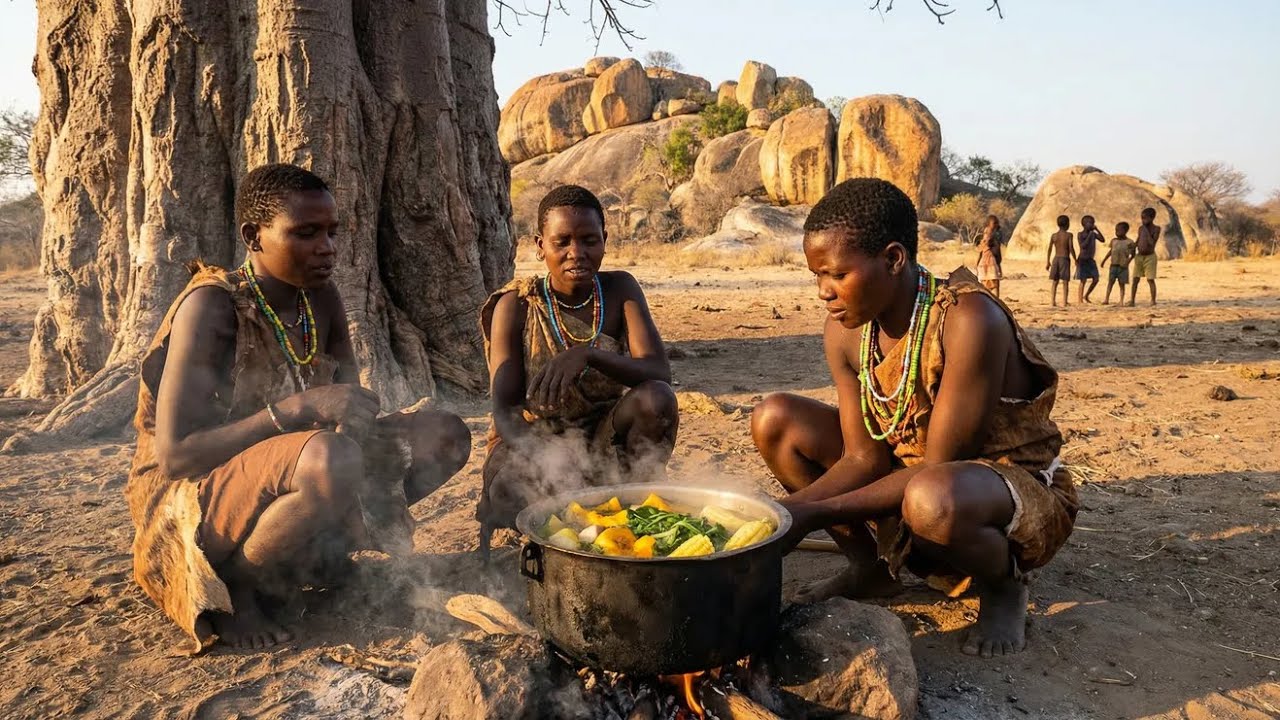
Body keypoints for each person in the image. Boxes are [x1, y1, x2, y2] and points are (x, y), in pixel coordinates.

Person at [125, 164, 472, 652]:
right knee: (330, 459)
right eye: (305, 233)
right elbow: (177, 456)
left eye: (332, 232)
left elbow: (350, 408)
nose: (326, 247)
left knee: (444, 433)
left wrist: (353, 417)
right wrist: (296, 409)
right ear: (254, 236)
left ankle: (314, 557)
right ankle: (238, 589)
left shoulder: (321, 300)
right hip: (197, 500)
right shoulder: (211, 308)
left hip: (293, 467)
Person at [751, 178, 1077, 658]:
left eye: (837, 275)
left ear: (893, 259)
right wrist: (785, 515)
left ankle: (1004, 586)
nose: (824, 292)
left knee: (932, 498)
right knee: (774, 419)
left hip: (991, 495)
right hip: (912, 479)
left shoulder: (969, 319)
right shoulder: (846, 333)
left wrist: (811, 512)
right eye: (817, 276)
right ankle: (870, 570)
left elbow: (940, 466)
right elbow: (864, 456)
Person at [479, 184, 678, 557]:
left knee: (656, 399)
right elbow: (504, 410)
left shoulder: (620, 289)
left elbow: (657, 371)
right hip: (535, 441)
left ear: (605, 240)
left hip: (605, 435)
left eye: (589, 240)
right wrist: (549, 462)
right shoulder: (516, 305)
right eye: (562, 242)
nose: (577, 253)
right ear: (540, 246)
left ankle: (636, 505)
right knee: (507, 490)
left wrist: (589, 354)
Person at [1100, 222, 1135, 305]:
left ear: (1125, 231)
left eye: (1119, 230)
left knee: (1121, 284)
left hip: (1123, 266)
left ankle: (1121, 300)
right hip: (1113, 265)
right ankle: (1106, 299)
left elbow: (1133, 254)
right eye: (1116, 230)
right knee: (1110, 282)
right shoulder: (1114, 241)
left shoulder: (1129, 242)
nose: (1117, 232)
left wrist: (1128, 262)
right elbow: (1111, 251)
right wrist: (1104, 260)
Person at [1131, 207, 1160, 306]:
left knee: (1150, 279)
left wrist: (1146, 230)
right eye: (1142, 218)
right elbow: (1138, 239)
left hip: (1150, 257)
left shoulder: (1156, 229)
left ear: (1152, 218)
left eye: (1145, 218)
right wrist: (1133, 247)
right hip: (1139, 256)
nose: (1143, 220)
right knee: (1135, 279)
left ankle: (1153, 300)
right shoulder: (1140, 228)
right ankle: (1132, 300)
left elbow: (1152, 243)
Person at [1046, 215, 1075, 307]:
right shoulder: (1069, 235)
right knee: (1065, 281)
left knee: (1055, 281)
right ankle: (1064, 301)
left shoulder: (1054, 236)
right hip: (1065, 259)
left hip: (1056, 259)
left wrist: (1048, 261)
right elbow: (1071, 248)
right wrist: (1075, 259)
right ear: (1067, 224)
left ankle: (1052, 301)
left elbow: (1049, 249)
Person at [1075, 215, 1104, 304]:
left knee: (1096, 279)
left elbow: (1103, 240)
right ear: (1084, 224)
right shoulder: (1080, 234)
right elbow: (1083, 246)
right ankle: (1080, 300)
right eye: (1090, 223)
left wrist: (1097, 230)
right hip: (1083, 259)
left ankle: (1086, 295)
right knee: (1083, 280)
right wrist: (1090, 235)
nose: (1092, 225)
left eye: (1093, 223)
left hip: (1090, 260)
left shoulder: (1093, 234)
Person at [973, 215, 1004, 297]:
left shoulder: (995, 238)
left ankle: (996, 301)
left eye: (996, 223)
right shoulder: (986, 239)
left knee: (994, 283)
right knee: (986, 285)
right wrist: (976, 265)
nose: (987, 234)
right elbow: (980, 253)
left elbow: (997, 253)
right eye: (994, 223)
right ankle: (991, 301)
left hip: (991, 262)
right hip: (986, 263)